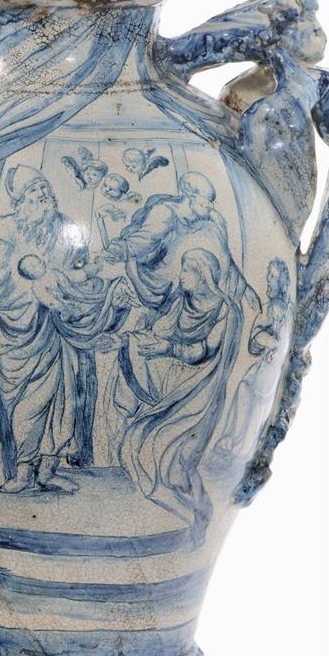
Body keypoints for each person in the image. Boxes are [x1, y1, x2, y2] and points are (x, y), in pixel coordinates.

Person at [0, 165, 126, 493]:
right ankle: (24, 472)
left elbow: (79, 273)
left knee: (64, 401)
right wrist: (29, 287)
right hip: (18, 333)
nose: (42, 195)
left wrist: (84, 286)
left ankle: (48, 469)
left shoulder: (66, 227)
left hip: (59, 335)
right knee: (25, 407)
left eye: (44, 189)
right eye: (34, 191)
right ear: (20, 200)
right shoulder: (3, 232)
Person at [101, 249, 240, 530]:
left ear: (203, 276)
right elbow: (160, 331)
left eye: (187, 271)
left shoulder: (224, 309)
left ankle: (193, 516)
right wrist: (126, 338)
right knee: (128, 356)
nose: (182, 276)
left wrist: (167, 348)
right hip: (174, 375)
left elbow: (205, 351)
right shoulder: (181, 300)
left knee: (170, 460)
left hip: (198, 387)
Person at [104, 171, 260, 314]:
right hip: (154, 285)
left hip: (185, 289)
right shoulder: (165, 213)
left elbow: (224, 256)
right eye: (206, 200)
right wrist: (115, 251)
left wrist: (244, 288)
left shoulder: (212, 220)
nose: (210, 206)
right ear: (190, 196)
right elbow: (135, 244)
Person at [214, 258, 292, 457]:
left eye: (273, 277)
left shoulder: (286, 310)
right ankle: (234, 439)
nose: (268, 281)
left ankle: (242, 445)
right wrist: (269, 341)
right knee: (243, 387)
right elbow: (254, 339)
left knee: (251, 390)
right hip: (264, 366)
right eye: (268, 276)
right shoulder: (268, 309)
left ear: (282, 282)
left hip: (271, 369)